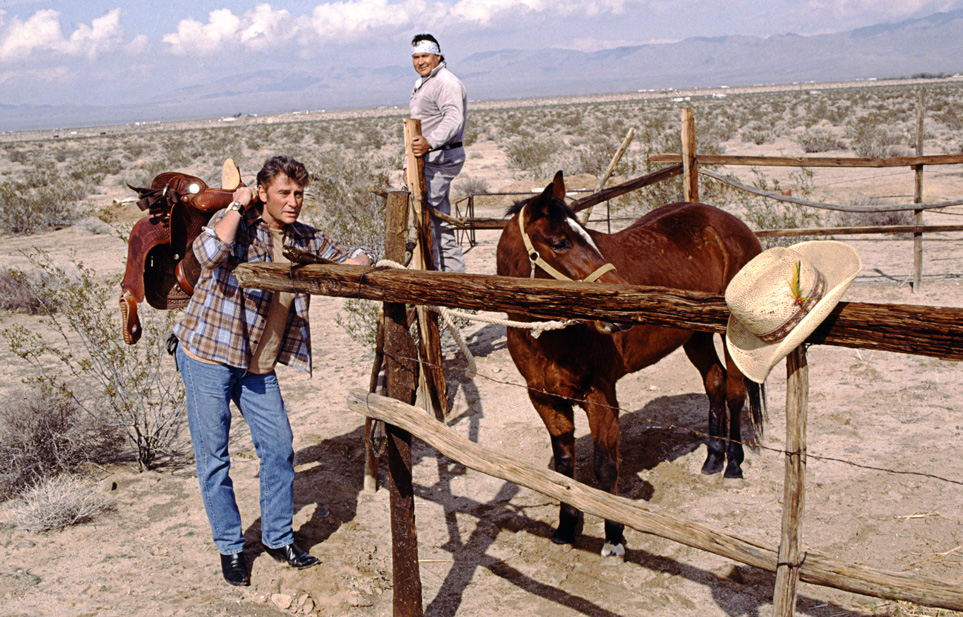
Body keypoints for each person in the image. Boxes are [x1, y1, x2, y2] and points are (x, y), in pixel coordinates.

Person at [173, 155, 375, 587]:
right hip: (207, 354)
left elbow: (353, 255)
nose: (294, 201)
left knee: (279, 448)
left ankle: (278, 538)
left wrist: (364, 262)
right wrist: (235, 204)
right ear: (263, 193)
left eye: (299, 193)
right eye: (284, 192)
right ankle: (230, 547)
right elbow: (208, 252)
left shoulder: (303, 237)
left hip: (256, 367)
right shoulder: (240, 227)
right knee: (214, 459)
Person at [405, 32, 468, 272]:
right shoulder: (425, 83)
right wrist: (407, 166)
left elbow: (454, 118)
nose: (420, 61)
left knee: (424, 217)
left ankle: (432, 281)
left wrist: (430, 142)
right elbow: (417, 126)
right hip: (428, 159)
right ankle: (454, 281)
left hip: (441, 158)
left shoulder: (446, 82)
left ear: (437, 56)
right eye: (416, 57)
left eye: (425, 56)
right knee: (440, 223)